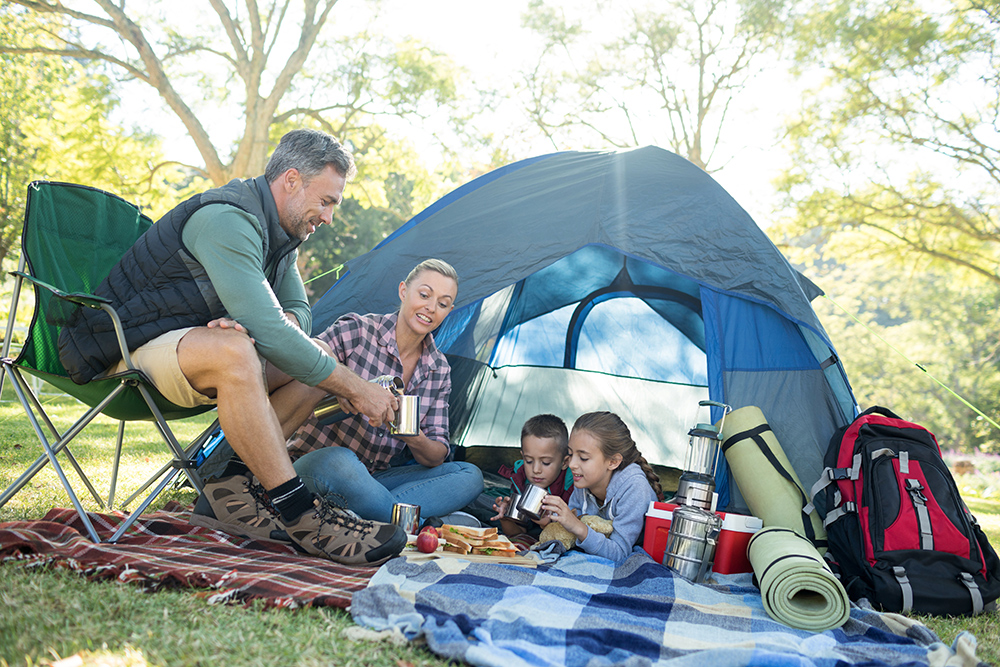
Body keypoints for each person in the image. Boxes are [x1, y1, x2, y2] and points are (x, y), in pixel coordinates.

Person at [57, 129, 406, 566]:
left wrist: (260, 323)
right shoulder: (228, 219)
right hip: (122, 350)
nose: (330, 217)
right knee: (238, 352)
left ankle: (232, 486)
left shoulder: (280, 237)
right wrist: (356, 388)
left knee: (316, 354)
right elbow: (274, 331)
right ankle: (299, 512)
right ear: (292, 181)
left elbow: (297, 314)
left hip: (185, 346)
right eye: (327, 201)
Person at [281, 259, 484, 524]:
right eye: (424, 295)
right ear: (403, 291)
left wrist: (411, 433)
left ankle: (366, 514)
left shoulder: (438, 370)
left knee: (469, 475)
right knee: (342, 461)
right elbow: (309, 354)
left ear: (449, 311)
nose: (430, 308)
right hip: (318, 465)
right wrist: (349, 387)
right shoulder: (359, 331)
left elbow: (436, 455)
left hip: (375, 480)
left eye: (443, 304)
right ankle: (417, 525)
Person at [541, 411, 663, 562]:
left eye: (583, 458)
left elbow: (619, 552)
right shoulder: (583, 479)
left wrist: (577, 527)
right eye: (571, 454)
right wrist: (550, 520)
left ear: (613, 461)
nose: (572, 464)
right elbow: (569, 530)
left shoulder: (634, 488)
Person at [490, 414, 572, 537]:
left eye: (546, 462)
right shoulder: (520, 479)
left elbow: (573, 535)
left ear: (564, 462)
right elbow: (518, 534)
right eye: (528, 461)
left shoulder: (571, 486)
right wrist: (505, 517)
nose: (536, 470)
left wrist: (547, 525)